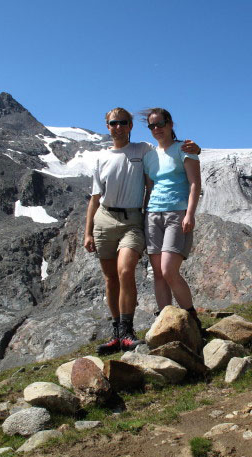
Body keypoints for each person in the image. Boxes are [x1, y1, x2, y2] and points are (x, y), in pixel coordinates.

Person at [84, 107, 200, 354]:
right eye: (114, 123)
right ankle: (132, 331)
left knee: (134, 270)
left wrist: (195, 148)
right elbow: (96, 198)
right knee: (118, 277)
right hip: (122, 217)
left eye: (123, 122)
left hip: (145, 217)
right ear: (108, 126)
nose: (118, 126)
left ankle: (186, 320)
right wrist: (88, 232)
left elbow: (184, 165)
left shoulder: (144, 149)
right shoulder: (111, 157)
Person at [142, 108, 204, 334]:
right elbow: (149, 188)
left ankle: (192, 318)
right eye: (151, 126)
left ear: (170, 123)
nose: (156, 129)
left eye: (160, 124)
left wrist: (190, 213)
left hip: (176, 213)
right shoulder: (149, 156)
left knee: (168, 270)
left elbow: (195, 183)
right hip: (152, 214)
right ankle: (167, 325)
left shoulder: (184, 149)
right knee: (158, 272)